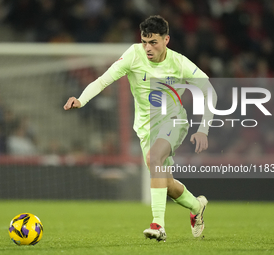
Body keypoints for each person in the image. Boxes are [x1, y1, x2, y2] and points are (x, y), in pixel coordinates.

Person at [64, 15, 217, 242]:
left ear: (166, 40)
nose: (147, 47)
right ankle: (197, 206)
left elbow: (210, 91)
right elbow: (104, 80)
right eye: (144, 41)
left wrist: (203, 128)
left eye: (153, 42)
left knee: (155, 158)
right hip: (146, 128)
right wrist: (81, 99)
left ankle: (158, 226)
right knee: (165, 183)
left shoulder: (179, 63)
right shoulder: (134, 55)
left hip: (173, 121)